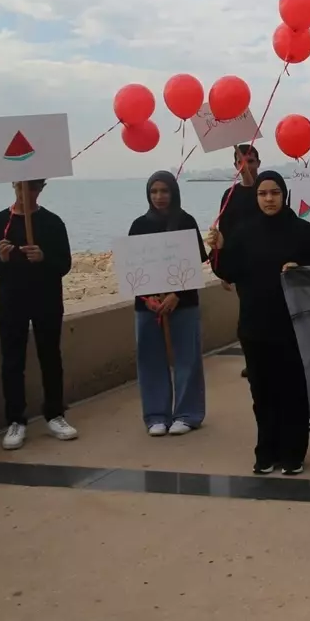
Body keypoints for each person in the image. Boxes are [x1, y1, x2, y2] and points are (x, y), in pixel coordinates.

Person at [208, 171, 310, 475]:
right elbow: (228, 272)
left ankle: (293, 452)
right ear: (256, 197)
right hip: (255, 326)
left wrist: (300, 269)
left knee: (293, 391)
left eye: (274, 193)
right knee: (262, 393)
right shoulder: (244, 232)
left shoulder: (304, 231)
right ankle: (267, 450)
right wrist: (219, 248)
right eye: (263, 194)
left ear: (284, 195)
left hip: (294, 327)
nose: (269, 199)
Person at [0, 179, 78, 450]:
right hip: (12, 302)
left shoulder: (52, 223)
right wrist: (1, 258)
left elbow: (65, 264)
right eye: (22, 186)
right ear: (13, 184)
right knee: (12, 362)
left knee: (50, 357)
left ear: (41, 188)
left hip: (46, 300)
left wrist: (44, 257)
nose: (27, 191)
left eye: (33, 186)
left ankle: (55, 414)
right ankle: (15, 420)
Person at [128, 171, 208, 436]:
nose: (160, 197)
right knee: (150, 359)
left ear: (173, 192)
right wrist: (148, 299)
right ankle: (156, 415)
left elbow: (197, 261)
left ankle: (188, 413)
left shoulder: (186, 221)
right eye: (154, 191)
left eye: (164, 191)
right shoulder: (139, 225)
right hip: (148, 306)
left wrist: (177, 294)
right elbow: (132, 267)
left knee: (188, 357)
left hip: (183, 303)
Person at [219, 144, 261, 379]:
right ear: (235, 165)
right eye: (241, 161)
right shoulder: (230, 195)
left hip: (266, 265)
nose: (246, 165)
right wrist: (224, 270)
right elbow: (224, 231)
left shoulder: (267, 190)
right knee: (246, 318)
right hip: (242, 267)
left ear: (258, 163)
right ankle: (250, 360)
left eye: (251, 160)